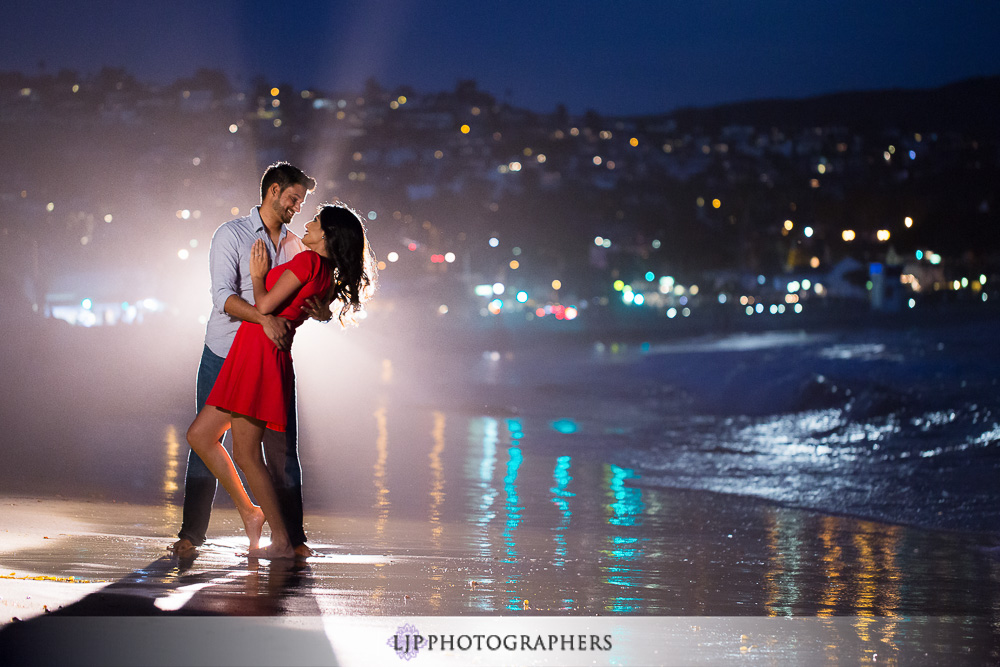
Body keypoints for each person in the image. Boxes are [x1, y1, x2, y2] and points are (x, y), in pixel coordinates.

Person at [186, 203, 376, 558]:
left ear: (328, 236)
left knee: (245, 453)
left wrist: (257, 274)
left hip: (258, 354)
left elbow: (264, 306)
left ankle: (284, 540)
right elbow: (312, 310)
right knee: (200, 435)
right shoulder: (325, 273)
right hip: (255, 354)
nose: (308, 222)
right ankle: (253, 513)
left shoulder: (307, 262)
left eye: (316, 221)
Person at [173, 162, 327, 559]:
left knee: (280, 451)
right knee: (207, 443)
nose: (297, 208)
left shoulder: (297, 247)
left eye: (302, 203)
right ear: (273, 191)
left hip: (264, 359)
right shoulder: (232, 234)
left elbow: (311, 291)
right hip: (223, 351)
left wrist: (319, 309)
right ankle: (193, 534)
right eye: (293, 199)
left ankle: (293, 538)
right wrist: (265, 317)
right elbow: (222, 297)